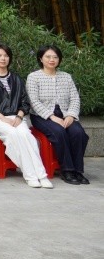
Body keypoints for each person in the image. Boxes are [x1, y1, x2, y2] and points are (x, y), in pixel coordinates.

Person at [0, 44, 52, 188]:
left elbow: (24, 101)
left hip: (16, 116)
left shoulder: (16, 78)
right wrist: (3, 118)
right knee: (13, 134)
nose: (3, 58)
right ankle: (32, 176)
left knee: (26, 135)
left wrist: (19, 116)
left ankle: (41, 176)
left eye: (6, 55)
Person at [27, 45, 89, 185]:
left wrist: (71, 115)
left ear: (59, 60)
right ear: (41, 59)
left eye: (55, 57)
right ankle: (67, 170)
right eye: (48, 57)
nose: (52, 60)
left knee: (78, 133)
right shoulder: (34, 77)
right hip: (41, 116)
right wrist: (52, 116)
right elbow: (33, 101)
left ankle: (78, 171)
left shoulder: (66, 77)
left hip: (65, 114)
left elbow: (75, 98)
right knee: (59, 131)